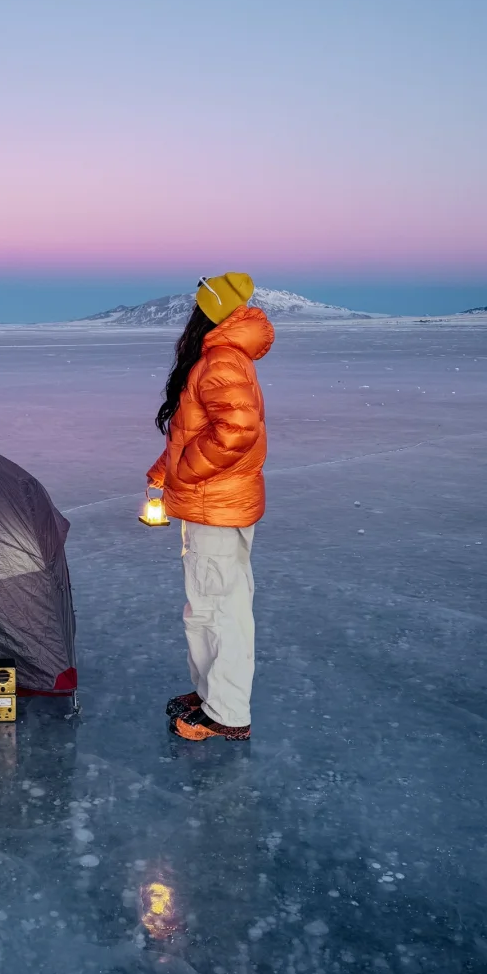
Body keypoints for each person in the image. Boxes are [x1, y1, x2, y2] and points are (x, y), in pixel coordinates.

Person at [146, 272, 275, 741]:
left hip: (216, 506)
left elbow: (236, 430)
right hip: (210, 505)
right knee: (205, 607)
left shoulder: (221, 359)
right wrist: (165, 469)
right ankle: (210, 693)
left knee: (222, 610)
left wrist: (186, 473)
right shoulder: (217, 357)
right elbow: (194, 430)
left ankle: (227, 712)